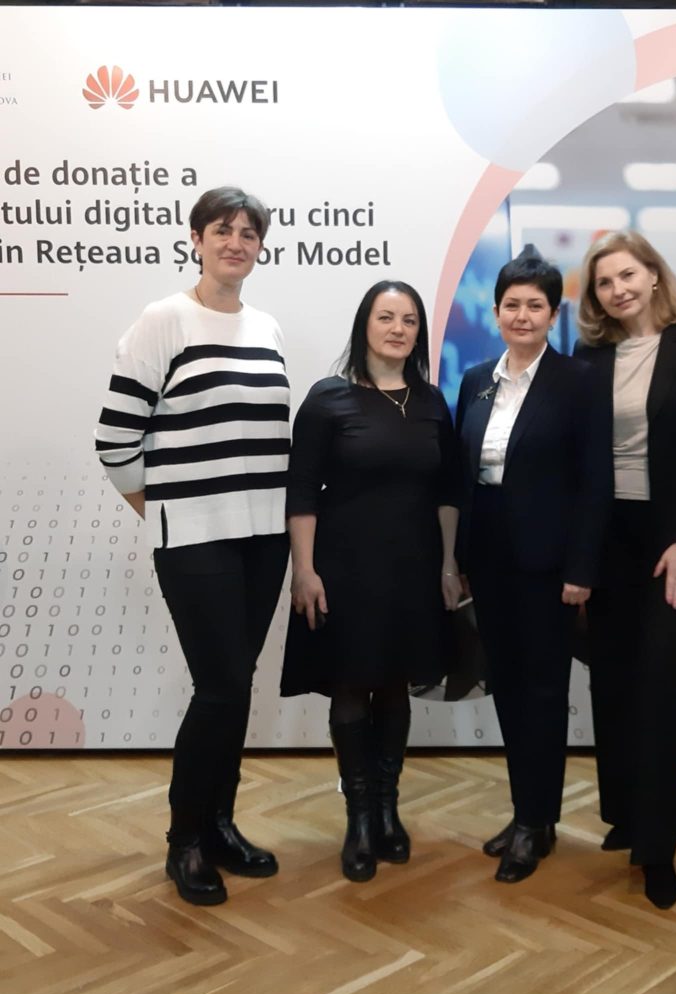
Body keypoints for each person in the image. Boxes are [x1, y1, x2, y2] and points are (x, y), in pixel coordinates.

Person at [95, 186, 290, 907]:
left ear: (259, 246)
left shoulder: (265, 327)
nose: (236, 242)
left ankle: (219, 825)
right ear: (196, 239)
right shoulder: (163, 320)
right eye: (222, 230)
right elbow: (115, 440)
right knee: (220, 688)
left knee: (236, 686)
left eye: (248, 232)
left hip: (264, 537)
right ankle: (184, 841)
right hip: (195, 540)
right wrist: (166, 513)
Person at [281, 280, 461, 883]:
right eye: (386, 317)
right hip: (344, 568)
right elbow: (301, 492)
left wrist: (449, 564)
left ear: (418, 332)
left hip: (414, 567)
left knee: (395, 687)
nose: (397, 329)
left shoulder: (432, 402)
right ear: (364, 325)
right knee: (353, 686)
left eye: (408, 320)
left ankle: (388, 810)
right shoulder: (328, 398)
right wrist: (304, 570)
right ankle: (359, 820)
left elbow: (448, 491)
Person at [575, 230, 676, 910]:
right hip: (610, 538)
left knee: (655, 679)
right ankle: (624, 815)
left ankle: (658, 847)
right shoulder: (590, 357)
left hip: (672, 540)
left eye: (627, 275)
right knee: (610, 679)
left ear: (653, 275)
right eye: (604, 282)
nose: (618, 289)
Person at [455, 248, 612, 884]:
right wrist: (460, 558)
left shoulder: (578, 382)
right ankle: (529, 815)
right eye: (512, 304)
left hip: (549, 566)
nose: (522, 315)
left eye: (535, 305)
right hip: (489, 560)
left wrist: (582, 567)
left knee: (544, 692)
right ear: (496, 311)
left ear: (553, 314)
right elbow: (466, 475)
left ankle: (536, 821)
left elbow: (595, 482)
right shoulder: (476, 380)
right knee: (508, 686)